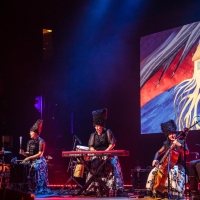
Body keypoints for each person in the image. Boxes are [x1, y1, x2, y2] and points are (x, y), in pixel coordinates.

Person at [146, 119, 189, 199]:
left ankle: (174, 193)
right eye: (170, 134)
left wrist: (178, 144)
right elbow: (158, 152)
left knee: (173, 171)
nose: (172, 136)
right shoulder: (166, 144)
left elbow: (187, 152)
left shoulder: (181, 141)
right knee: (154, 171)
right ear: (167, 136)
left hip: (178, 166)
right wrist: (155, 159)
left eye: (173, 134)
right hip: (167, 165)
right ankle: (156, 190)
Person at [86, 108, 124, 196]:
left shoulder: (108, 132)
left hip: (107, 153)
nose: (97, 128)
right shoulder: (93, 135)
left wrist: (106, 151)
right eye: (95, 126)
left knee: (110, 163)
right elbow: (90, 146)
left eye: (98, 126)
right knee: (93, 164)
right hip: (97, 154)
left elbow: (113, 144)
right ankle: (95, 188)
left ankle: (111, 188)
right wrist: (94, 151)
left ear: (102, 125)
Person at [19, 119, 52, 195]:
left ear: (35, 133)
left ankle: (38, 187)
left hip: (39, 160)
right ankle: (26, 187)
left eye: (31, 132)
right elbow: (29, 153)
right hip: (31, 160)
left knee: (36, 167)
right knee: (22, 166)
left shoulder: (41, 141)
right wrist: (23, 153)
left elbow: (40, 154)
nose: (29, 133)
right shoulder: (29, 142)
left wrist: (29, 158)